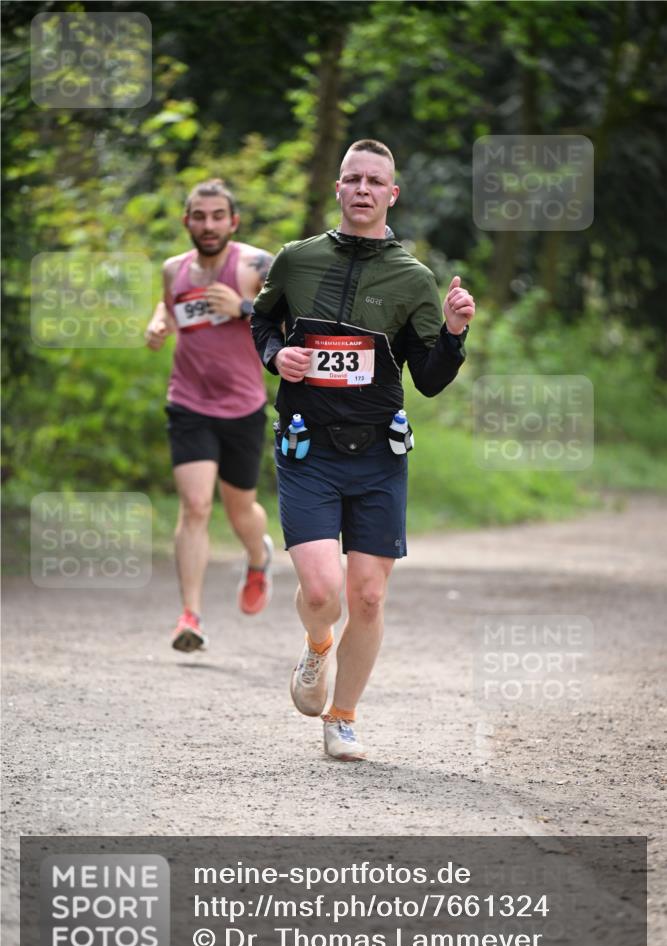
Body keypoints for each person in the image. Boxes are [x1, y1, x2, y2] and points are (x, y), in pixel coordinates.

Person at [251, 139, 475, 761]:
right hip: (308, 448)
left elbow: (428, 377)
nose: (363, 190)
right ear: (339, 188)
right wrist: (278, 355)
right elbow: (261, 320)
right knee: (323, 592)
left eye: (375, 181)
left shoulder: (412, 278)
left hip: (379, 452)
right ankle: (318, 642)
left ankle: (343, 717)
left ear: (392, 194)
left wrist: (454, 332)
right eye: (353, 179)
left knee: (369, 596)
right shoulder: (296, 260)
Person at [146, 178, 274, 652]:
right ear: (187, 222)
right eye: (199, 217)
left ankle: (258, 557)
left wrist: (243, 307)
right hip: (189, 402)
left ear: (233, 222)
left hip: (243, 406)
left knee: (241, 510)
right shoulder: (173, 269)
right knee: (196, 505)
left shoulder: (257, 265)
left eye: (218, 216)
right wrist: (159, 322)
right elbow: (171, 304)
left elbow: (295, 319)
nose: (208, 225)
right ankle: (190, 616)